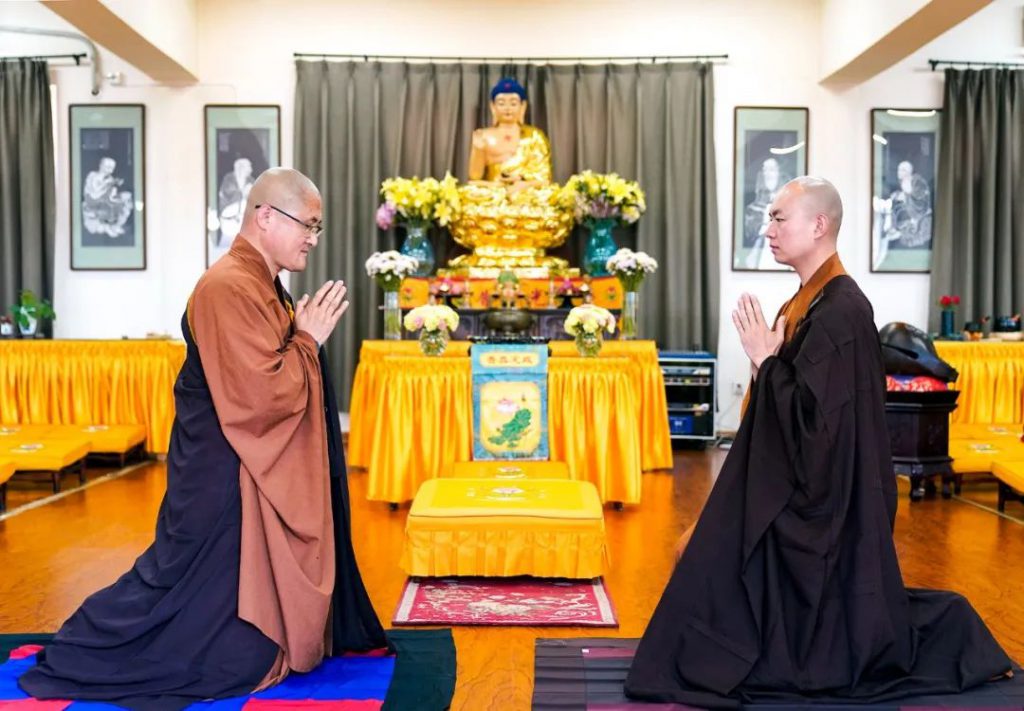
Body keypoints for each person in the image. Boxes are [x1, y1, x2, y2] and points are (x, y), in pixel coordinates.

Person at [625, 176, 1012, 708]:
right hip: (801, 484)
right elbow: (803, 410)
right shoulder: (812, 299)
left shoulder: (843, 311)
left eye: (780, 218)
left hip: (822, 503)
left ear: (819, 224)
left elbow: (819, 430)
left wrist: (766, 362)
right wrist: (773, 364)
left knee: (715, 553)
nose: (769, 229)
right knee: (708, 546)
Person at [20, 168, 386, 709]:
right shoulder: (227, 286)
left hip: (241, 464)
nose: (313, 237)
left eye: (318, 227)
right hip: (222, 473)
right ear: (265, 217)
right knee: (176, 582)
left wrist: (301, 338)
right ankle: (88, 647)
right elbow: (259, 396)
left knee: (212, 603)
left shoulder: (261, 284)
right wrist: (307, 339)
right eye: (308, 224)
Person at [448, 77, 573, 272]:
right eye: (502, 103)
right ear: (492, 107)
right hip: (493, 193)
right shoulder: (484, 135)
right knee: (466, 194)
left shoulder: (534, 136)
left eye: (513, 103)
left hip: (525, 194)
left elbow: (543, 178)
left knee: (553, 196)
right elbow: (474, 177)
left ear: (523, 107)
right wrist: (478, 150)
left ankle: (526, 246)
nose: (507, 108)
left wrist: (521, 184)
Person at [82, 156, 133, 238]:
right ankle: (107, 226)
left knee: (126, 197)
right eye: (107, 167)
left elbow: (112, 192)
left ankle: (115, 226)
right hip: (93, 199)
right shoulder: (93, 175)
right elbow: (94, 191)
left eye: (112, 168)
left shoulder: (110, 178)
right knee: (109, 207)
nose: (110, 170)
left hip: (106, 200)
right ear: (101, 166)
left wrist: (114, 186)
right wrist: (106, 183)